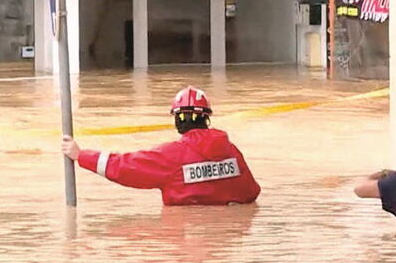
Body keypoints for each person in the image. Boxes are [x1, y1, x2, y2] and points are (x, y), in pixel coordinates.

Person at [61, 86, 260, 205]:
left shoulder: (172, 156)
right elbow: (251, 193)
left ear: (178, 120)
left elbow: (125, 167)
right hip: (222, 240)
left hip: (185, 233)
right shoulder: (231, 152)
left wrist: (81, 155)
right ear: (206, 118)